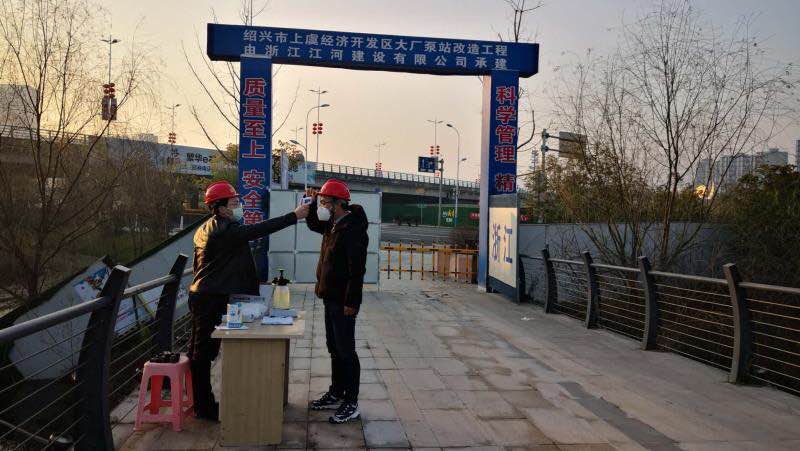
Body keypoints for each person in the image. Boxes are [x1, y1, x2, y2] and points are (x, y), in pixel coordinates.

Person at [188, 180, 309, 421]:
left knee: (200, 352)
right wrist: (294, 216)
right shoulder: (225, 230)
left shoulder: (205, 228)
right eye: (234, 202)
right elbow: (260, 229)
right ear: (221, 207)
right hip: (210, 298)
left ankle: (202, 402)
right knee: (202, 355)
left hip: (203, 294)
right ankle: (203, 407)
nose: (239, 206)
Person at [305, 179, 369, 424]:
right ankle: (336, 392)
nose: (322, 206)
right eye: (321, 202)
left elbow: (357, 271)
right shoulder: (332, 224)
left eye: (324, 202)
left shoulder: (352, 229)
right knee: (334, 347)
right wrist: (312, 203)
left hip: (343, 301)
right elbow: (313, 223)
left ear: (338, 204)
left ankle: (351, 402)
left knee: (346, 351)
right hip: (329, 297)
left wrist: (352, 303)